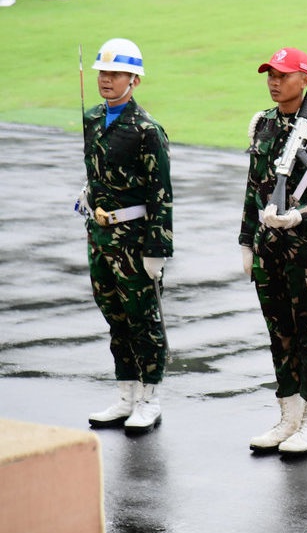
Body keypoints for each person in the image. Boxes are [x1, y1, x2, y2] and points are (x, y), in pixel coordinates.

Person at [241, 47, 307, 456]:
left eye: (283, 75)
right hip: (268, 245)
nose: (273, 81)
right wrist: (246, 239)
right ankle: (288, 414)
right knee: (278, 330)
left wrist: (303, 215)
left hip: (306, 246)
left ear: (304, 81)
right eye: (270, 74)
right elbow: (254, 188)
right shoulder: (263, 125)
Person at [82, 38, 172, 435]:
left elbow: (161, 193)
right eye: (103, 72)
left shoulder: (146, 130)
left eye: (115, 73)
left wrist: (157, 249)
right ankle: (126, 393)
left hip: (135, 239)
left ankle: (149, 397)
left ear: (134, 80)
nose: (106, 79)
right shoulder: (91, 118)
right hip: (100, 236)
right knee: (114, 315)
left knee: (143, 319)